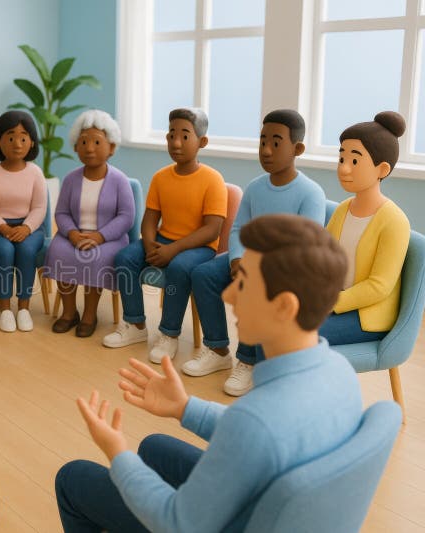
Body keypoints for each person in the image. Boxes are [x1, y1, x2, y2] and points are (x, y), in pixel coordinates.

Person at [56, 214, 362, 533]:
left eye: (242, 283)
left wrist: (117, 453)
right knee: (154, 446)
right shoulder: (338, 371)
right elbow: (258, 438)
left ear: (284, 306)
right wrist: (185, 407)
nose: (228, 296)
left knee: (72, 477)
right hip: (272, 509)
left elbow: (177, 522)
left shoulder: (259, 418)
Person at [181, 109, 326, 396]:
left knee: (255, 288)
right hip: (247, 259)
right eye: (262, 141)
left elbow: (304, 247)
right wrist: (236, 259)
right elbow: (238, 230)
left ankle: (247, 361)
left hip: (284, 271)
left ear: (297, 149)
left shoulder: (311, 193)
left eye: (276, 142)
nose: (266, 150)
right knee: (203, 274)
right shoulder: (255, 187)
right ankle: (218, 348)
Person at [103, 108, 227, 361]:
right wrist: (150, 245)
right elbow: (149, 219)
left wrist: (174, 249)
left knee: (179, 268)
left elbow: (211, 230)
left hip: (199, 246)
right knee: (125, 258)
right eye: (171, 135)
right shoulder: (161, 177)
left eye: (184, 135)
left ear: (201, 142)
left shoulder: (213, 180)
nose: (176, 142)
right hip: (162, 239)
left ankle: (169, 335)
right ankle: (135, 324)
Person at [321, 111, 410, 346]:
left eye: (354, 161)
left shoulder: (394, 221)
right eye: (342, 159)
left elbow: (379, 286)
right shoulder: (342, 209)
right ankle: (261, 372)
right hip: (333, 299)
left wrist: (332, 302)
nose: (344, 168)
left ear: (382, 169)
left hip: (367, 316)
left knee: (294, 333)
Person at [44, 110, 135, 338]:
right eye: (83, 142)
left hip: (109, 239)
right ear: (75, 147)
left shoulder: (120, 180)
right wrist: (73, 234)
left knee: (95, 257)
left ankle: (89, 314)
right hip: (73, 235)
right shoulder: (71, 179)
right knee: (59, 251)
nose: (90, 148)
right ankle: (69, 312)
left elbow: (126, 216)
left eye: (96, 142)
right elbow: (62, 212)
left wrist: (99, 237)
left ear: (111, 147)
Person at [0, 110, 47, 332]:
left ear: (31, 142)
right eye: (11, 137)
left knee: (27, 251)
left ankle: (24, 308)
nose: (17, 143)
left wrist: (27, 228)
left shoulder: (36, 173)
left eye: (24, 137)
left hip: (31, 228)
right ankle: (6, 309)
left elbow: (39, 208)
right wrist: (4, 228)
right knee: (5, 251)